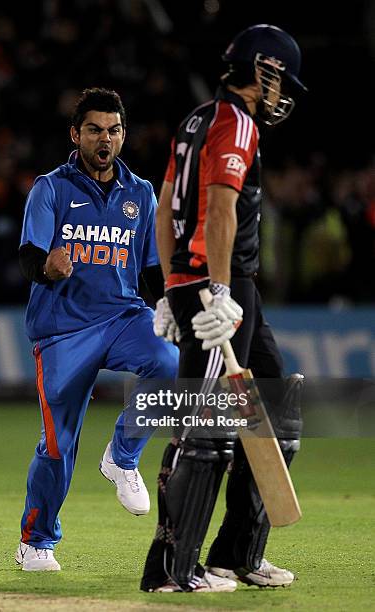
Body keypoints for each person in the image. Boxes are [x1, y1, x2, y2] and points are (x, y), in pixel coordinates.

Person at [141, 24, 306, 593]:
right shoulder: (236, 123)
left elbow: (164, 209)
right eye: (281, 78)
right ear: (264, 71)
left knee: (278, 417)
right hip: (219, 288)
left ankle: (236, 554)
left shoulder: (196, 119)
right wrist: (216, 289)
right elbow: (219, 211)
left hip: (219, 288)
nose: (282, 92)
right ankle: (170, 569)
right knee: (202, 431)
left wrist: (168, 287)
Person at [15, 87, 178, 572]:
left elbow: (150, 271)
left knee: (171, 362)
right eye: (93, 130)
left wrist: (169, 302)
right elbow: (28, 256)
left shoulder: (141, 193)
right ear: (76, 135)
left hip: (123, 317)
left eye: (113, 130)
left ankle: (122, 455)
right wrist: (48, 266)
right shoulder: (51, 188)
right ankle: (36, 540)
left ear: (123, 135)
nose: (104, 139)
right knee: (58, 445)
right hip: (63, 330)